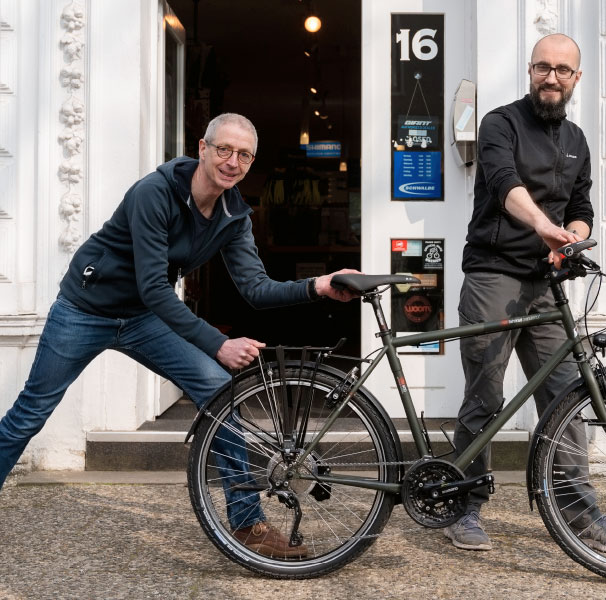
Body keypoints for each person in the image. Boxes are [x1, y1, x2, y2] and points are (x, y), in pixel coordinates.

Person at [0, 113, 356, 558]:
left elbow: (255, 288)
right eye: (224, 149)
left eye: (244, 155)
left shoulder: (233, 213)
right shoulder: (155, 192)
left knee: (220, 394)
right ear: (202, 148)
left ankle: (248, 525)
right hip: (84, 310)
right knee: (30, 414)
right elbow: (153, 286)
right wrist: (217, 343)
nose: (232, 161)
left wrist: (319, 284)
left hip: (143, 318)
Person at [447, 34, 606, 555]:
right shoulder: (500, 123)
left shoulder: (576, 137)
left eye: (561, 70)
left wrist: (572, 233)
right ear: (530, 71)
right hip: (494, 273)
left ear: (576, 78)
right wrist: (543, 227)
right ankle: (463, 505)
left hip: (547, 283)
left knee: (568, 397)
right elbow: (505, 184)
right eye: (541, 68)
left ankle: (579, 514)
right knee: (485, 395)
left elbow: (582, 206)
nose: (550, 77)